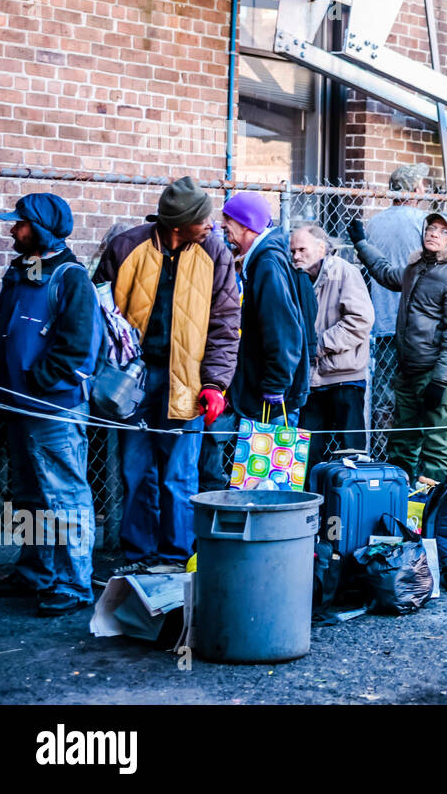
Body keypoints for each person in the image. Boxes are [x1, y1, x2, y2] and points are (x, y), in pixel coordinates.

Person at [96, 177, 240, 573]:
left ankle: (175, 559)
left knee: (179, 474)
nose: (212, 224)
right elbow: (100, 312)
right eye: (203, 218)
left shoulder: (216, 253)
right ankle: (138, 556)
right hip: (134, 381)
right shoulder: (126, 246)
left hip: (189, 381)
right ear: (178, 224)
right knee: (135, 469)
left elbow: (226, 324)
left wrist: (215, 384)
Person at [0, 194, 99, 614]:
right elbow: (3, 337)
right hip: (17, 407)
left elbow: (77, 350)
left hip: (52, 410)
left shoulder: (71, 278)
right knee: (30, 495)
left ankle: (73, 584)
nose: (13, 231)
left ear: (41, 229)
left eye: (20, 225)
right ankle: (36, 572)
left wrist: (37, 384)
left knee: (64, 495)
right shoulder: (19, 272)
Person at [350, 210, 447, 482]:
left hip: (438, 374)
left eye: (443, 231)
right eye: (431, 228)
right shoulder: (416, 267)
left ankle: (432, 511)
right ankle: (398, 499)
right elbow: (385, 273)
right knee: (403, 441)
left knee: (437, 445)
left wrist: (440, 381)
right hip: (409, 370)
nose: (434, 234)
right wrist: (362, 244)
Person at [220, 193, 317, 427]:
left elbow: (282, 329)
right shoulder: (263, 260)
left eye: (228, 221)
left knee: (271, 463)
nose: (223, 225)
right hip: (267, 387)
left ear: (247, 225)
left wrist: (276, 384)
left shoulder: (267, 265)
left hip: (272, 395)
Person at [290, 224, 374, 470]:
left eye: (302, 249)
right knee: (306, 454)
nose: (296, 256)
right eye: (293, 250)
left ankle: (354, 504)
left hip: (345, 376)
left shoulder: (344, 272)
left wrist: (318, 345)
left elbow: (361, 320)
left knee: (352, 453)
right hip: (313, 379)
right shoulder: (298, 277)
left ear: (321, 248)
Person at [364, 164, 429, 337]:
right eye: (423, 184)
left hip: (381, 314)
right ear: (415, 190)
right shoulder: (425, 221)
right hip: (416, 317)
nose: (426, 188)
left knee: (385, 363)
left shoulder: (374, 222)